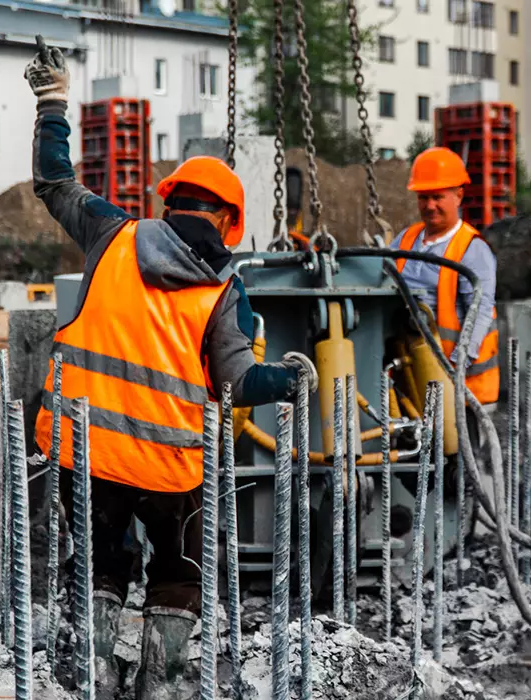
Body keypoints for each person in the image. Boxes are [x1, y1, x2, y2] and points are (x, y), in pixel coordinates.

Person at [23, 38, 317, 699]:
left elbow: (54, 182)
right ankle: (164, 687)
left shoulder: (113, 235)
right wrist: (293, 377)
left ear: (172, 199)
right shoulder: (222, 290)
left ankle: (92, 681)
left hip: (87, 449)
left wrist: (52, 102)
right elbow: (240, 384)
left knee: (97, 566)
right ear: (226, 218)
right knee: (180, 574)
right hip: (171, 465)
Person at [391, 146, 499, 405]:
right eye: (423, 197)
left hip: (460, 386)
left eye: (437, 197)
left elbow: (480, 311)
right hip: (412, 370)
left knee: (456, 446)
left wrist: (456, 365)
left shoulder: (472, 249)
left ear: (458, 196)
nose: (430, 206)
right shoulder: (407, 239)